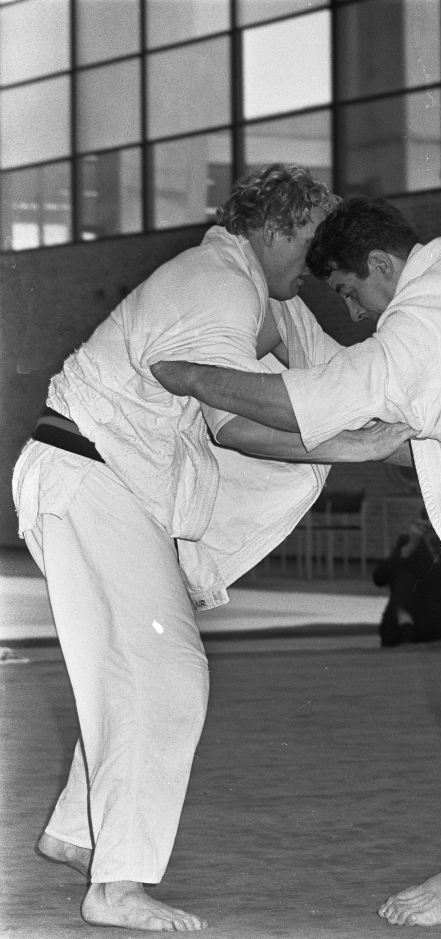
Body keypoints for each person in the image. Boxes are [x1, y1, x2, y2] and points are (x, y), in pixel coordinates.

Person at [152, 196, 441, 927]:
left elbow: (310, 401)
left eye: (347, 293)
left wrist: (194, 378)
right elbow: (421, 416)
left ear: (380, 265)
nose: (357, 315)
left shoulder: (423, 320)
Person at [12, 173, 415, 932]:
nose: (321, 257)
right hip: (84, 473)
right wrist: (355, 449)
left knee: (134, 665)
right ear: (272, 229)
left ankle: (80, 833)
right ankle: (118, 884)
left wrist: (427, 419)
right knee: (163, 671)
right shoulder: (215, 282)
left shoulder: (275, 301)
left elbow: (342, 382)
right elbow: (231, 422)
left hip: (115, 485)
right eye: (310, 239)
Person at [373, 512, 441, 647]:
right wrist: (407, 550)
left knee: (405, 573)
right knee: (403, 572)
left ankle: (406, 623)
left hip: (440, 617)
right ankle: (405, 624)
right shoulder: (409, 544)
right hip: (410, 615)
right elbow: (379, 578)